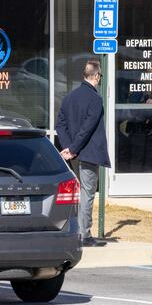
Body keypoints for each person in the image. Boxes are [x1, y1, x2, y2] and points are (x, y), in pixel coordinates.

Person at [56, 60, 111, 247]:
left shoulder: (69, 97)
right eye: (100, 76)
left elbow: (60, 125)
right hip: (86, 154)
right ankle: (84, 234)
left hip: (75, 155)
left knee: (79, 193)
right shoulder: (95, 99)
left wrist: (68, 147)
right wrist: (71, 149)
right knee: (87, 194)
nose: (100, 79)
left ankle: (77, 230)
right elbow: (87, 128)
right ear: (95, 76)